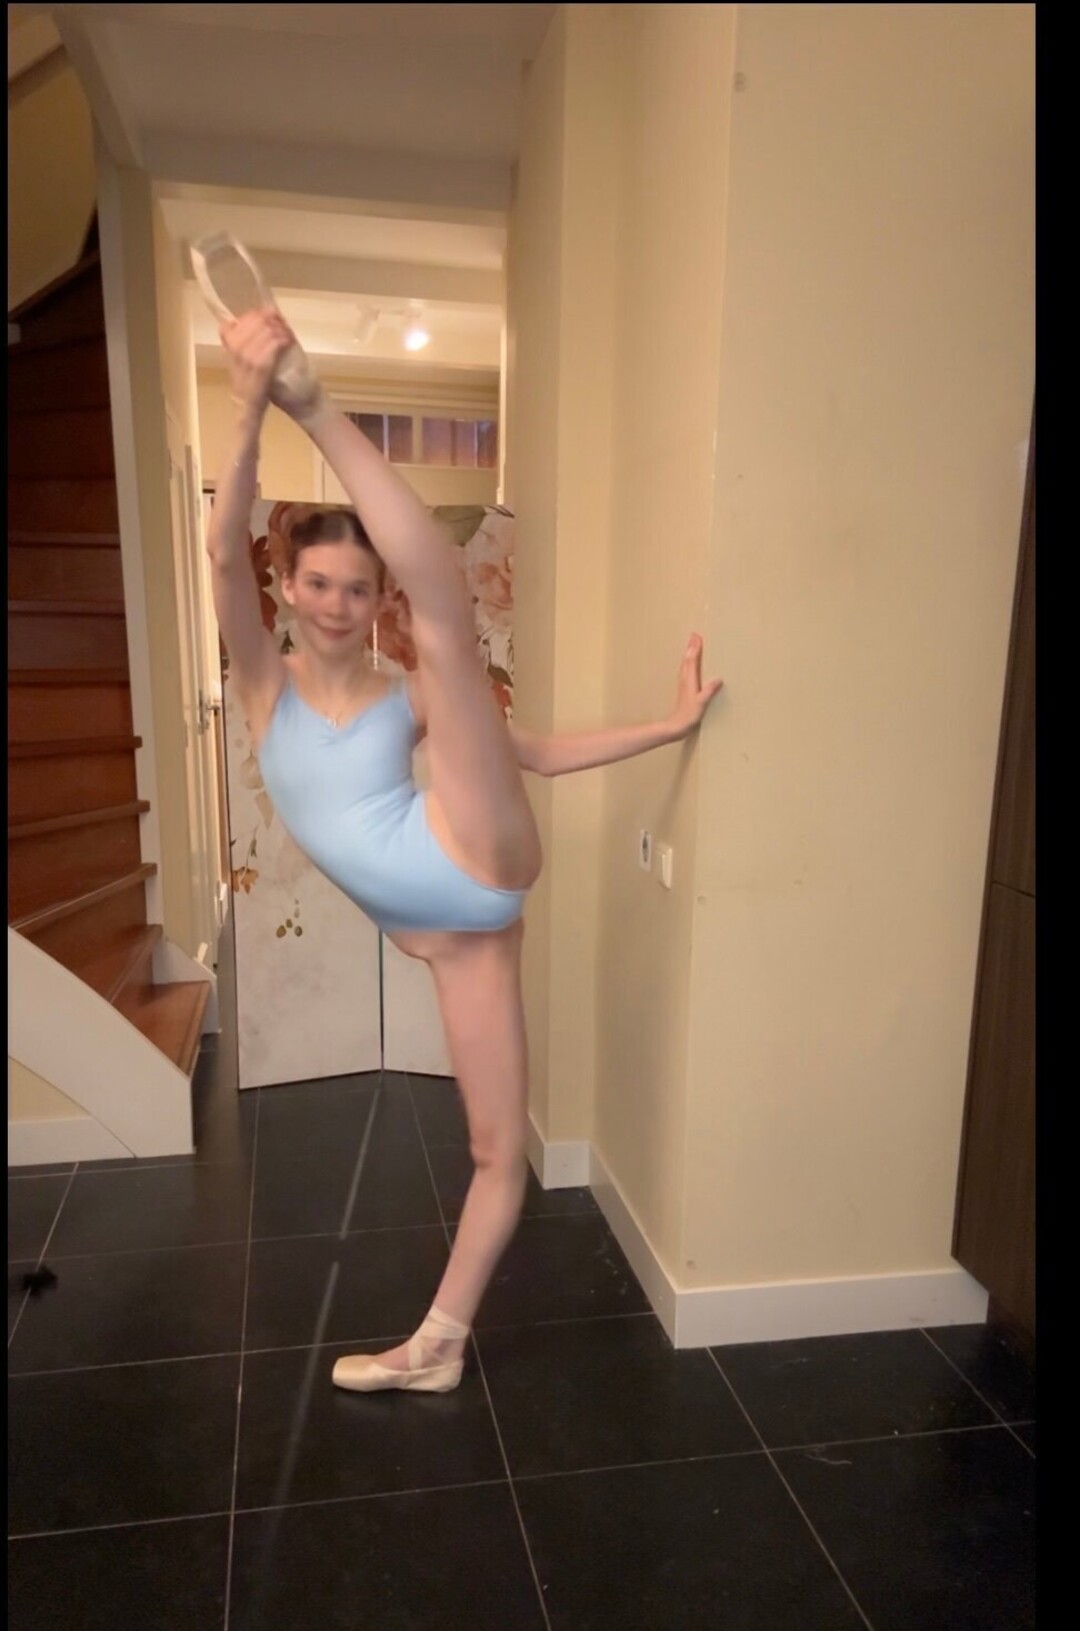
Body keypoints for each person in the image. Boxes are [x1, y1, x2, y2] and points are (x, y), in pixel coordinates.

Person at [208, 307, 724, 1394]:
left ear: (374, 598)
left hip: (470, 859)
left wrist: (667, 726)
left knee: (448, 629)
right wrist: (246, 409)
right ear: (286, 587)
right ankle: (437, 1345)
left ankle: (321, 401)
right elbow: (220, 549)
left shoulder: (410, 696)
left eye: (359, 587)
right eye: (319, 583)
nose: (339, 603)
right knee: (498, 1155)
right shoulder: (263, 687)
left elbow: (537, 752)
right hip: (461, 942)